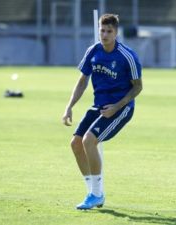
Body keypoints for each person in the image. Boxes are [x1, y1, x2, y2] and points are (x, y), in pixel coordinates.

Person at [62, 13, 143, 210]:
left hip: (121, 108)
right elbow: (82, 81)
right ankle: (93, 192)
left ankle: (97, 194)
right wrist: (69, 106)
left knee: (89, 140)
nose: (104, 34)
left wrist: (117, 106)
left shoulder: (127, 56)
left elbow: (138, 87)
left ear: (116, 33)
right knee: (75, 143)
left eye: (109, 31)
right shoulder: (93, 51)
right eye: (102, 30)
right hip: (99, 105)